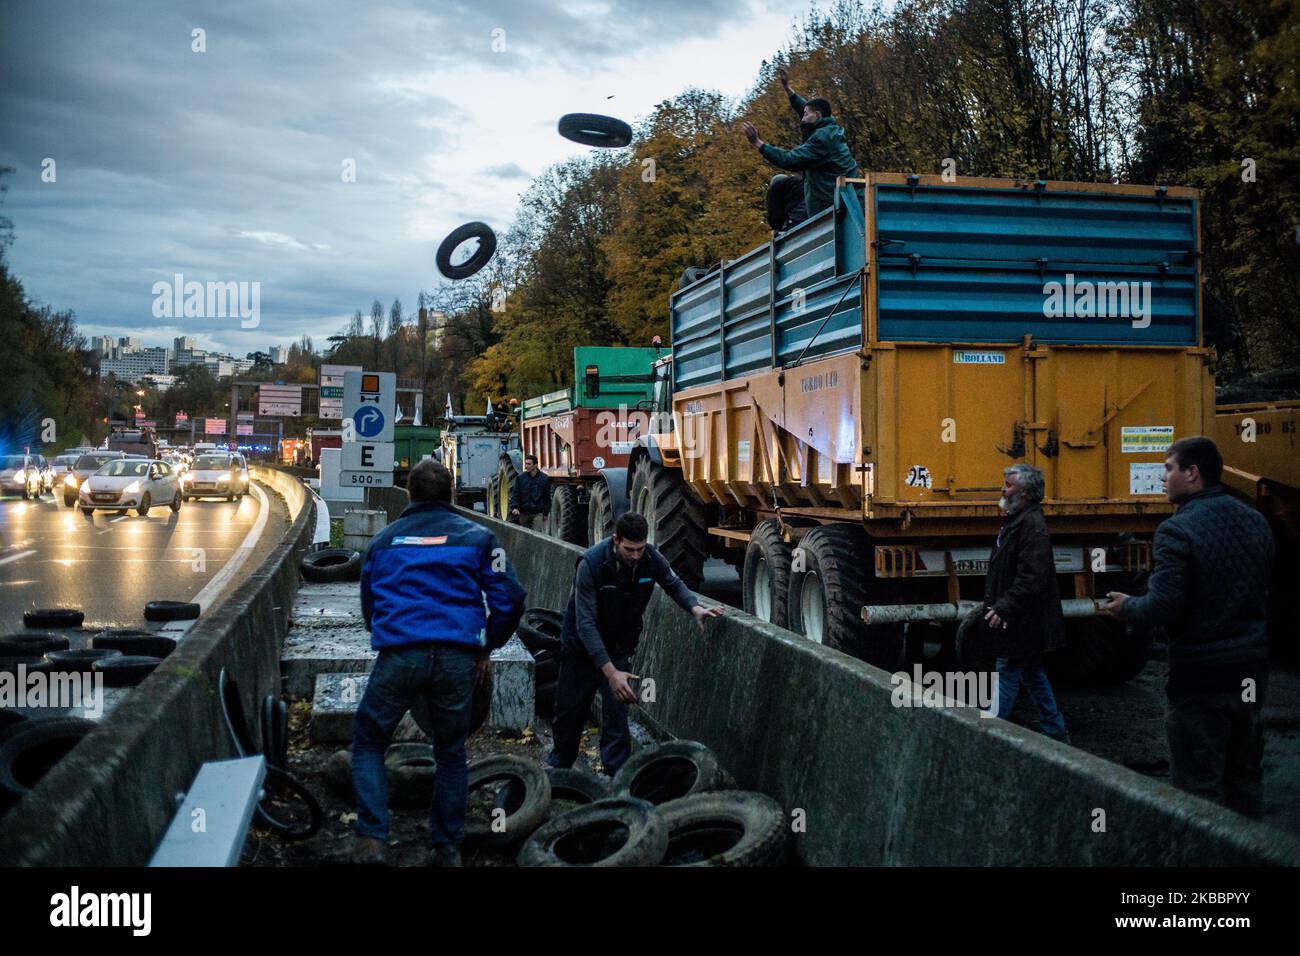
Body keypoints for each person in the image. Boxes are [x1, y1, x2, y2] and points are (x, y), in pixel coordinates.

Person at [352, 459, 525, 866]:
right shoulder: (481, 539)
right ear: (451, 493)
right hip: (457, 656)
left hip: (401, 654)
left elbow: (369, 602)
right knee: (450, 751)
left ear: (409, 494)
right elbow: (511, 596)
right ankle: (447, 848)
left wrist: (391, 635)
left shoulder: (384, 541)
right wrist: (487, 644)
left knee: (369, 741)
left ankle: (372, 840)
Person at [1102, 436, 1273, 817]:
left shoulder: (1177, 530)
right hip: (1250, 672)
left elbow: (1163, 605)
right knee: (1245, 778)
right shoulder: (1255, 521)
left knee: (1198, 788)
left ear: (1192, 473)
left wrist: (1128, 606)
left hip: (1201, 675)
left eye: (1168, 468)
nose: (1162, 478)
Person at [548, 511, 724, 775]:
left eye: (640, 549)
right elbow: (585, 624)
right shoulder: (591, 564)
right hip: (581, 650)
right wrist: (611, 674)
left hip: (619, 646)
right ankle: (558, 768)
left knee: (618, 718)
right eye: (629, 549)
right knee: (569, 714)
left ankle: (616, 779)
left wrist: (695, 608)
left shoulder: (651, 559)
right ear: (616, 540)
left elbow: (673, 584)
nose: (635, 556)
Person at [957, 463, 1070, 743]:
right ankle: (1055, 730)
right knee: (1031, 671)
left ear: (1026, 494)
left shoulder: (1030, 526)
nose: (1003, 490)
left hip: (1022, 618)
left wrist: (1005, 606)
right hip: (1025, 617)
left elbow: (1032, 576)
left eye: (1009, 486)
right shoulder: (1019, 521)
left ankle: (989, 734)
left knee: (1007, 670)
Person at [742, 79, 858, 229]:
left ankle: (782, 227)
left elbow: (789, 160)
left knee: (779, 181)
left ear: (817, 115)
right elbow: (805, 108)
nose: (802, 119)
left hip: (830, 204)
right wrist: (788, 89)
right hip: (841, 197)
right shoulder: (830, 128)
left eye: (805, 115)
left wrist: (759, 143)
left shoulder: (821, 139)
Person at [510, 454, 550, 530]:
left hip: (538, 513)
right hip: (524, 513)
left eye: (529, 464)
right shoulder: (520, 478)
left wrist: (546, 513)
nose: (526, 466)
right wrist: (515, 507)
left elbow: (546, 497)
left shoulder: (544, 479)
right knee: (524, 536)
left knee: (537, 535)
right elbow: (515, 494)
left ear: (535, 465)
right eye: (526, 464)